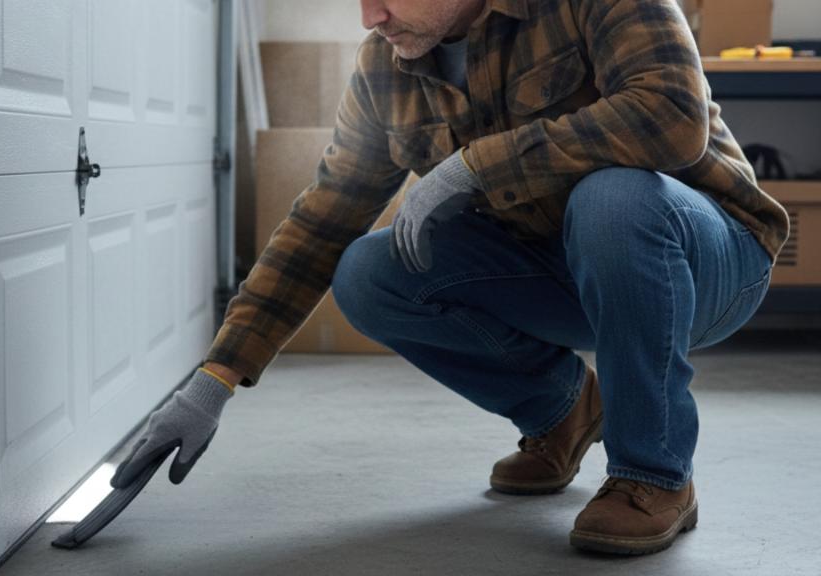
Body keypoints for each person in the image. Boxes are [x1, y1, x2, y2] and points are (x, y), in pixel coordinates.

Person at [111, 0, 790, 556]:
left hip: (705, 262)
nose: (369, 16)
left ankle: (654, 473)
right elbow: (320, 222)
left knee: (613, 198)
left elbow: (671, 118)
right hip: (563, 272)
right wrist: (215, 379)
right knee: (370, 270)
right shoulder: (386, 67)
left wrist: (478, 166)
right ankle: (563, 411)